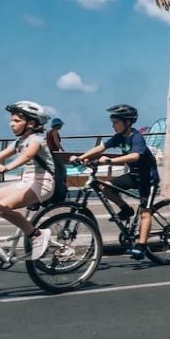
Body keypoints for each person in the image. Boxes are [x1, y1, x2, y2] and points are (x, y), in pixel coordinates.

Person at [0, 101, 54, 268]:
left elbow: (28, 156)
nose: (11, 124)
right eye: (11, 120)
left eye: (16, 121)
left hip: (43, 183)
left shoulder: (37, 140)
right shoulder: (19, 141)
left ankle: (36, 234)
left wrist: (7, 167)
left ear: (31, 123)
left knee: (1, 207)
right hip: (26, 182)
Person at [69, 104, 159, 260]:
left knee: (145, 212)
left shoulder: (136, 137)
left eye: (116, 122)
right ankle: (126, 209)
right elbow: (101, 148)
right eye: (113, 122)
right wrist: (82, 157)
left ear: (128, 123)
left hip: (148, 179)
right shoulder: (119, 137)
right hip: (133, 176)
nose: (113, 125)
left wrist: (111, 161)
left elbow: (135, 156)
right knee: (106, 188)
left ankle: (142, 246)